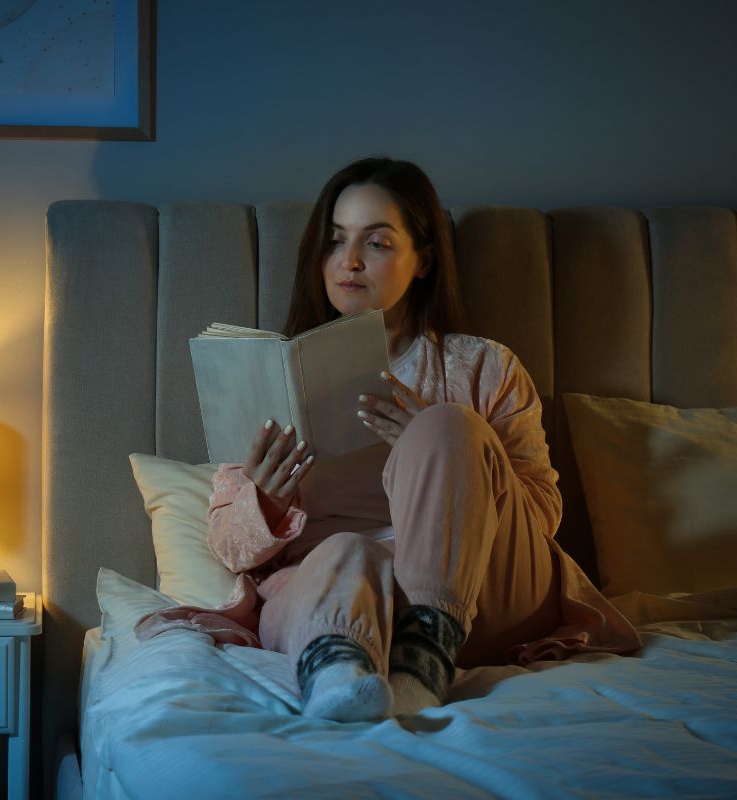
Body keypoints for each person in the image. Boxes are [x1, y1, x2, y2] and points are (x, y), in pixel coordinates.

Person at [206, 156, 640, 722]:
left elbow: (539, 520)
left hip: (481, 598)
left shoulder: (484, 367)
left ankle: (426, 654)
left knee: (447, 424)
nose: (350, 261)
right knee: (345, 551)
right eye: (335, 241)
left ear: (424, 260)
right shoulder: (278, 375)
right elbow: (230, 549)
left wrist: (446, 451)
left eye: (378, 242)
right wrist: (263, 497)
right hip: (334, 593)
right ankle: (337, 669)